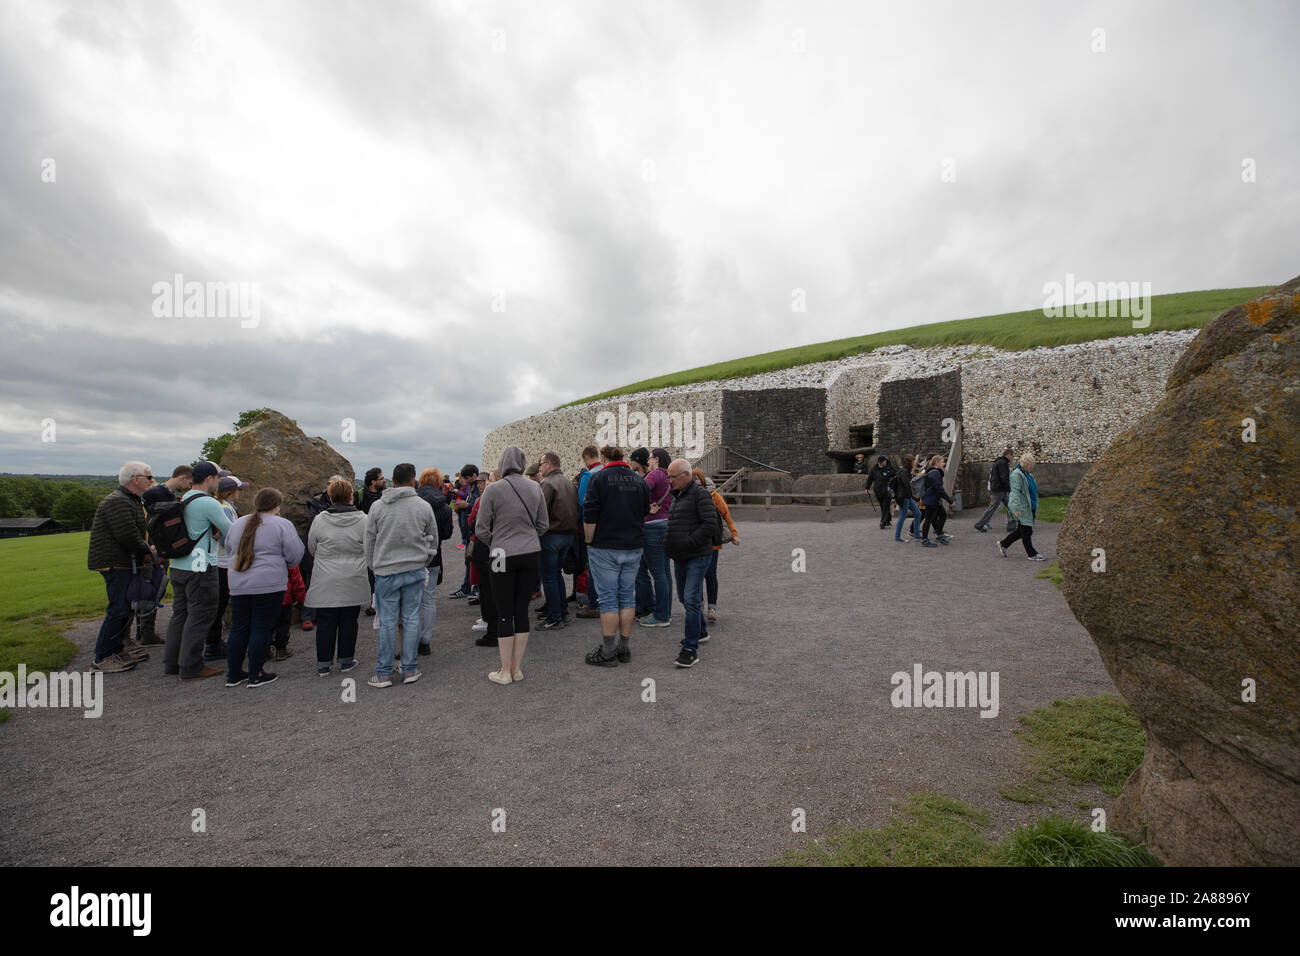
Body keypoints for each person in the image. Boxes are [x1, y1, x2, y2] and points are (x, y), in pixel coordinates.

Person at [473, 446, 548, 685]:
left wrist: (498, 541)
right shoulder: (535, 487)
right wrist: (527, 537)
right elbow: (543, 524)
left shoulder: (493, 490)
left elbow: (480, 528)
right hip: (530, 553)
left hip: (499, 554)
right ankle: (516, 668)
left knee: (503, 609)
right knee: (521, 609)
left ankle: (504, 670)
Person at [365, 462, 437, 688]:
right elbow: (433, 538)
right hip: (414, 569)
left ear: (393, 481)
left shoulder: (378, 507)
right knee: (411, 618)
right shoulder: (423, 507)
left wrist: (374, 565)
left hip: (386, 570)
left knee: (387, 621)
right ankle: (409, 668)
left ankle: (384, 672)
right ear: (413, 479)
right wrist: (424, 559)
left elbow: (369, 541)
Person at [223, 487, 305, 687]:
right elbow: (295, 554)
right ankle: (256, 672)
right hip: (268, 583)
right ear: (277, 505)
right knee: (261, 627)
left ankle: (233, 673)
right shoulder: (281, 524)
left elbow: (228, 548)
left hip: (239, 581)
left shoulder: (238, 524)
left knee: (239, 627)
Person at [162, 461, 233, 682]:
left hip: (179, 565)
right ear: (210, 478)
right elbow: (230, 530)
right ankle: (191, 666)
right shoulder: (208, 503)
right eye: (218, 478)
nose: (219, 482)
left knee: (180, 614)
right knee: (201, 615)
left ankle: (172, 662)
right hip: (201, 566)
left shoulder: (184, 499)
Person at [86, 461, 160, 672]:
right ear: (135, 479)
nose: (151, 480)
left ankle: (116, 650)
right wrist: (148, 552)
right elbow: (127, 535)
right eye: (148, 476)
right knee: (118, 609)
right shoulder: (118, 501)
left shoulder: (130, 500)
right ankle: (103, 657)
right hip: (114, 563)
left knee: (125, 608)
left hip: (123, 562)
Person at [582, 445, 648, 668]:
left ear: (603, 457)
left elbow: (589, 513)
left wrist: (588, 541)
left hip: (605, 546)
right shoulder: (639, 481)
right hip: (633, 545)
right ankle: (624, 646)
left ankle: (608, 651)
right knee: (627, 597)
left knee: (608, 599)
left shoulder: (599, 479)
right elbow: (645, 510)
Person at [304, 477, 369, 676]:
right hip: (353, 572)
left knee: (326, 620)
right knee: (349, 618)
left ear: (330, 497)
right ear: (351, 496)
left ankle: (323, 662)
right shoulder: (363, 519)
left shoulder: (320, 519)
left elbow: (312, 546)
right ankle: (346, 659)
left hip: (326, 573)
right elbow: (369, 547)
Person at [664, 459, 718, 668]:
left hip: (697, 555)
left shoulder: (700, 494)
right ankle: (701, 630)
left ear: (686, 476)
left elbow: (710, 523)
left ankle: (690, 648)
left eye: (673, 477)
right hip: (681, 556)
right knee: (686, 599)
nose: (669, 481)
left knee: (691, 598)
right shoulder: (678, 495)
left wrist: (688, 542)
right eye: (669, 477)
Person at [135, 465, 193, 646]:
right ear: (182, 478)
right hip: (154, 549)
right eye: (189, 482)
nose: (189, 486)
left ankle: (145, 631)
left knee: (154, 589)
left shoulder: (166, 494)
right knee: (148, 590)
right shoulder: (156, 494)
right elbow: (152, 522)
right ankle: (145, 632)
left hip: (161, 548)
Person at [205, 474, 249, 659]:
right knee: (219, 604)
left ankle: (213, 642)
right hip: (222, 561)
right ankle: (213, 644)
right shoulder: (224, 509)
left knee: (219, 603)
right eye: (238, 490)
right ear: (231, 491)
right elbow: (226, 537)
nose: (240, 493)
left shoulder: (225, 507)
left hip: (220, 560)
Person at [415, 468, 455, 656]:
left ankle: (409, 639)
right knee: (428, 599)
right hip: (433, 555)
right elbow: (447, 533)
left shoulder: (414, 503)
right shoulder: (444, 507)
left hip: (413, 556)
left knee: (411, 600)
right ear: (439, 483)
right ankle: (425, 640)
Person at [537, 451, 579, 630]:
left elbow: (540, 512)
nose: (539, 468)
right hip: (568, 536)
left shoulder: (547, 483)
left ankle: (555, 617)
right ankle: (562, 612)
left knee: (549, 577)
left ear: (548, 464)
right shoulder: (569, 482)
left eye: (541, 464)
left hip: (551, 536)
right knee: (556, 575)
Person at [632, 447, 673, 628]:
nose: (648, 461)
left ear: (656, 459)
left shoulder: (655, 475)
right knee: (664, 572)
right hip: (665, 524)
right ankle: (665, 610)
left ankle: (661, 615)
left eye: (650, 458)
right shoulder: (669, 476)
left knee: (657, 573)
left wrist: (645, 507)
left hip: (652, 526)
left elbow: (637, 491)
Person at [692, 467, 739, 623]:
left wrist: (734, 534)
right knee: (696, 575)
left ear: (702, 480)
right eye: (693, 478)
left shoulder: (714, 496)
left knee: (710, 574)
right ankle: (699, 605)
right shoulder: (687, 495)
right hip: (696, 542)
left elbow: (726, 515)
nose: (695, 481)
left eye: (697, 478)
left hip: (712, 541)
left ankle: (712, 607)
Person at [466, 472, 497, 646]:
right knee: (493, 587)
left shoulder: (488, 498)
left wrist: (489, 541)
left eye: (489, 480)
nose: (484, 484)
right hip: (499, 550)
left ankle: (493, 630)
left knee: (490, 589)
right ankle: (497, 626)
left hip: (489, 550)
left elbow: (477, 524)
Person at [998, 453, 1046, 560]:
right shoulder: (1017, 475)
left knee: (1022, 530)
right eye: (1031, 465)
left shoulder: (1027, 474)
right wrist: (1016, 508)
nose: (1032, 467)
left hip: (1029, 506)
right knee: (1026, 531)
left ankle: (1003, 544)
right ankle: (1032, 554)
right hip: (1023, 507)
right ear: (1026, 464)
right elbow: (1014, 492)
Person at [575, 445, 604, 619]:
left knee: (592, 566)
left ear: (586, 457)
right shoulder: (606, 472)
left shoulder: (589, 475)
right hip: (609, 527)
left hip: (591, 526)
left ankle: (594, 603)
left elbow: (581, 504)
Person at [449, 464, 480, 599]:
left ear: (474, 475)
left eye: (467, 478)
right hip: (468, 531)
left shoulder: (477, 488)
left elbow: (481, 508)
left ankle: (474, 589)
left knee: (473, 561)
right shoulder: (473, 488)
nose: (465, 481)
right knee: (469, 561)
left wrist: (467, 505)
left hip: (474, 533)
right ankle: (469, 588)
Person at [975, 447, 1016, 533]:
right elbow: (1004, 478)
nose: (1012, 458)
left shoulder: (1000, 462)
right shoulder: (1002, 463)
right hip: (999, 490)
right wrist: (1009, 488)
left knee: (1010, 506)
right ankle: (980, 524)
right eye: (1012, 456)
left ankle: (1011, 526)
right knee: (993, 507)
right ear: (1008, 455)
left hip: (1000, 489)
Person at [919, 455, 954, 548]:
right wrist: (949, 500)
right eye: (942, 462)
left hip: (933, 499)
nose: (944, 463)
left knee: (942, 515)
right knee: (929, 519)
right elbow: (939, 488)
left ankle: (939, 534)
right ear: (937, 463)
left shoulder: (933, 472)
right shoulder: (935, 473)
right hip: (931, 500)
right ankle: (925, 539)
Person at [271, 565, 305, 659]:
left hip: (264, 597)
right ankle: (281, 650)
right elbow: (296, 578)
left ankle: (265, 649)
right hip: (283, 597)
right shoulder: (287, 559)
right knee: (282, 625)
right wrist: (300, 597)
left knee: (266, 625)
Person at [892, 454, 923, 542]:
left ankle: (916, 534)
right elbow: (907, 486)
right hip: (904, 497)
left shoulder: (904, 471)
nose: (914, 463)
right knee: (903, 516)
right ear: (909, 462)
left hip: (906, 496)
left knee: (918, 513)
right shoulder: (904, 472)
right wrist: (915, 498)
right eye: (913, 461)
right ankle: (897, 536)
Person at [865, 455, 896, 529]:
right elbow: (870, 479)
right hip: (878, 491)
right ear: (880, 462)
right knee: (883, 506)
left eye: (885, 461)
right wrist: (867, 487)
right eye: (884, 461)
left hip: (887, 490)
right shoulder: (874, 469)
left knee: (885, 505)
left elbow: (895, 475)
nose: (885, 462)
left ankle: (883, 522)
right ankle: (888, 519)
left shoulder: (889, 468)